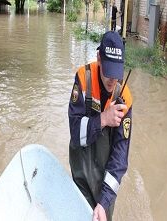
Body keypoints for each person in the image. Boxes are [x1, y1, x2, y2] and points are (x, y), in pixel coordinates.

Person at [68, 31, 132, 221]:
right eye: (108, 71)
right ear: (99, 59)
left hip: (105, 179)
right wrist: (103, 119)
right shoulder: (83, 77)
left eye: (117, 73)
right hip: (80, 171)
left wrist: (104, 202)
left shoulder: (126, 97)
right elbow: (74, 131)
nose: (113, 80)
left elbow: (120, 156)